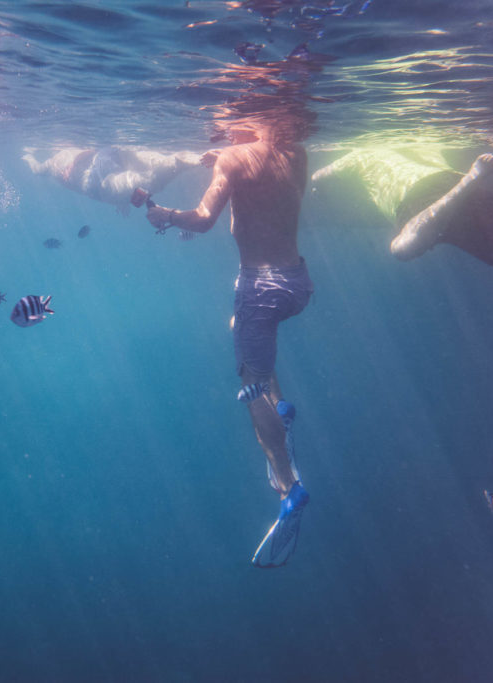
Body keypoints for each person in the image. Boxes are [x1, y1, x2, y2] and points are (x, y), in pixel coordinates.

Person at [144, 120, 312, 568]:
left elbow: (201, 221)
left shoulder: (234, 159)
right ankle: (281, 406)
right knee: (243, 327)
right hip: (296, 282)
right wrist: (226, 161)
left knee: (251, 381)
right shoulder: (296, 152)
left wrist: (165, 216)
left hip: (259, 287)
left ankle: (286, 484)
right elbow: (268, 175)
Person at [311, 146, 493, 274]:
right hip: (454, 181)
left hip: (419, 193)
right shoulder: (424, 139)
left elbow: (318, 177)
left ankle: (471, 180)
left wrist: (321, 191)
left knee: (402, 249)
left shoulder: (362, 152)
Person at [22, 146, 202, 214]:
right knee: (142, 159)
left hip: (96, 183)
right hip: (108, 155)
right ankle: (184, 159)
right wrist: (121, 202)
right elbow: (92, 150)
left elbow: (38, 170)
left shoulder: (52, 164)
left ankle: (178, 163)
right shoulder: (67, 151)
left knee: (145, 181)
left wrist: (29, 158)